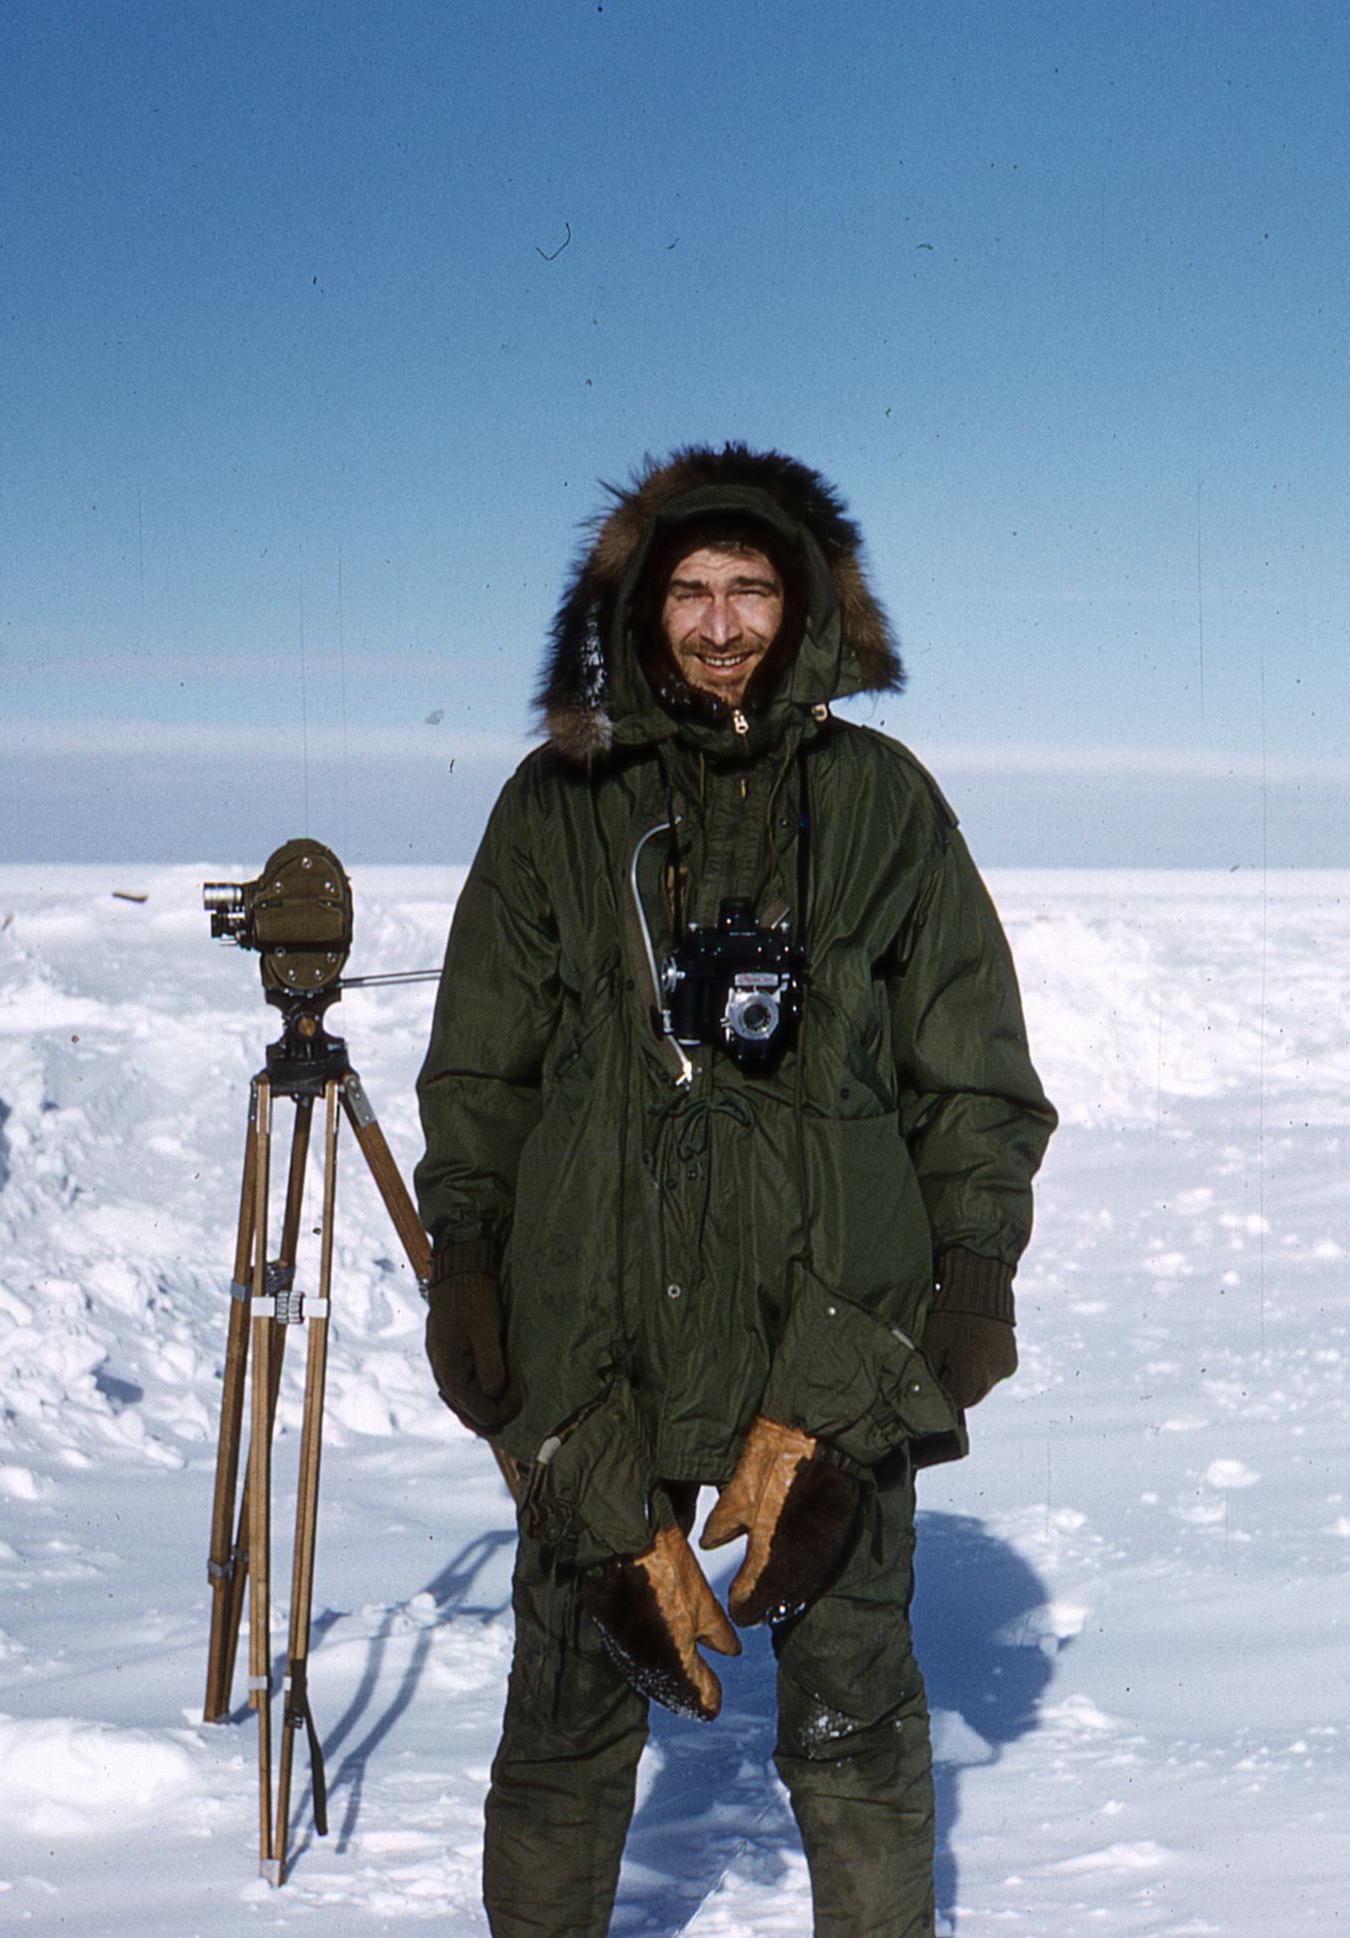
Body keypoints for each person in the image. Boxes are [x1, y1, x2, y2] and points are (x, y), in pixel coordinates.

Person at [415, 444, 1057, 1938]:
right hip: (601, 1330)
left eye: (752, 590)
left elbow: (974, 1078)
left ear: (805, 607)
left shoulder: (885, 804)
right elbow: (482, 1071)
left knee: (856, 1731)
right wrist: (468, 1254)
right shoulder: (556, 808)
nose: (719, 624)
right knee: (567, 1730)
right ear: (641, 612)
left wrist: (969, 1274)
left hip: (827, 1331)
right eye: (691, 591)